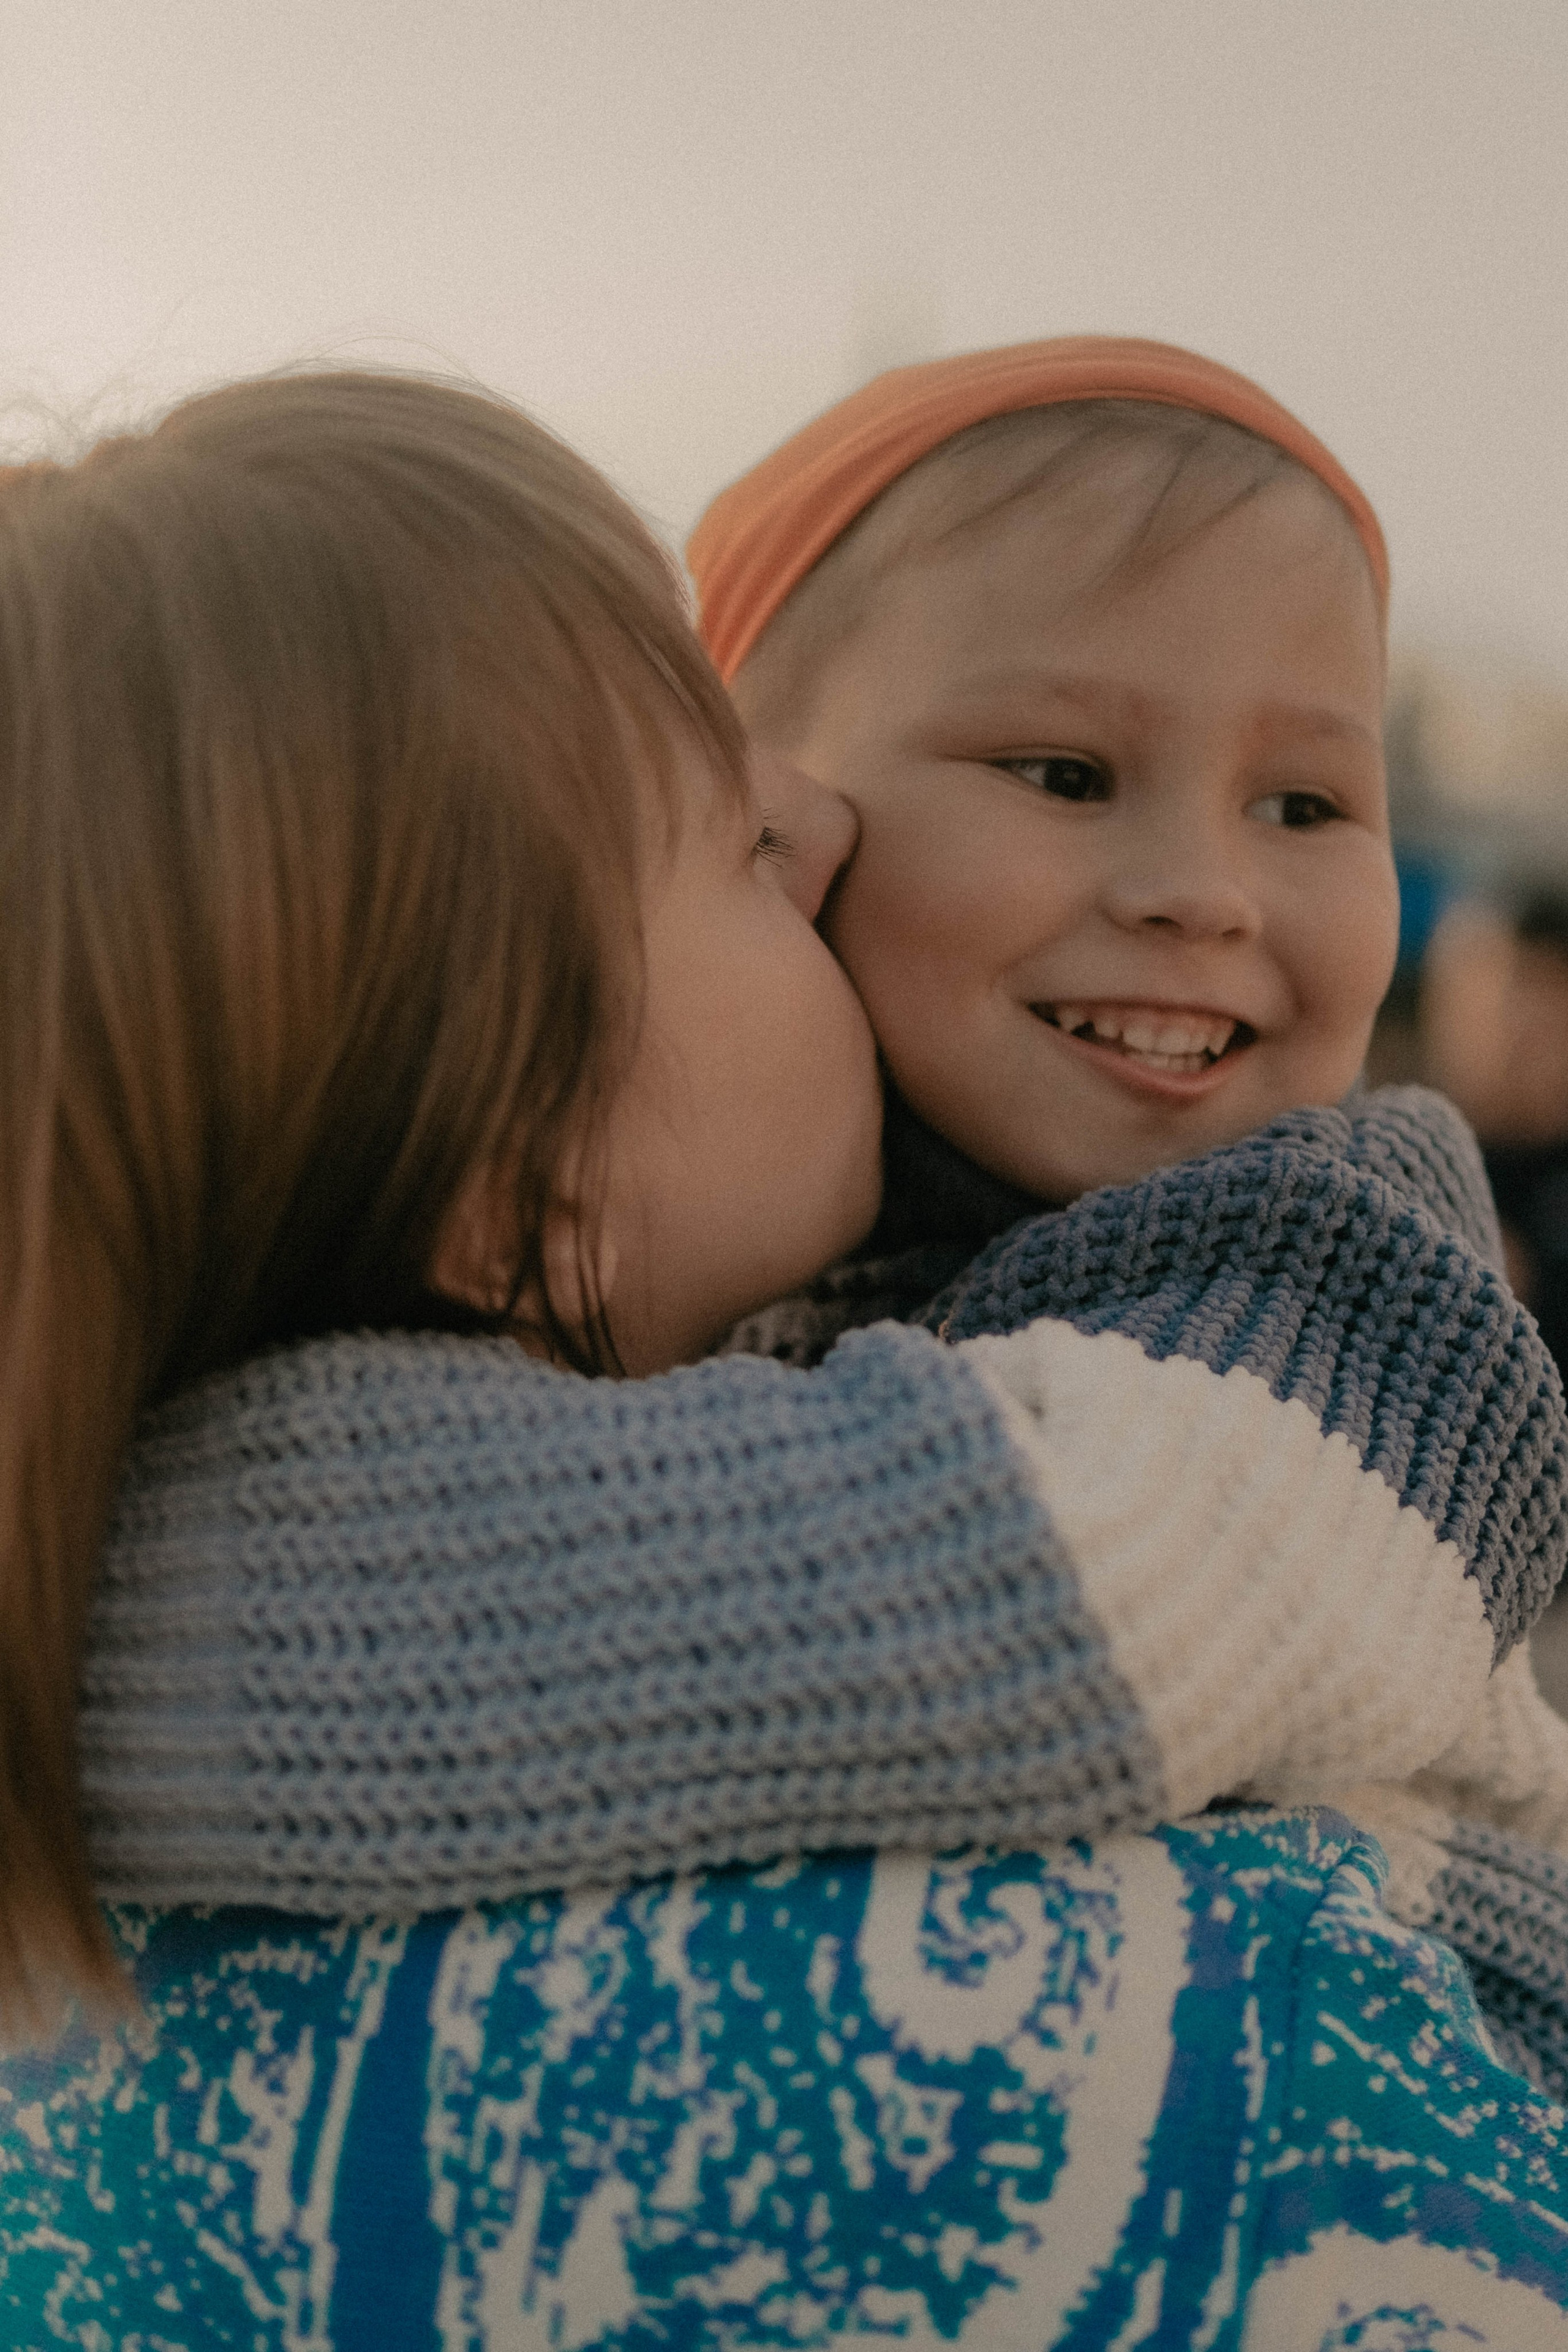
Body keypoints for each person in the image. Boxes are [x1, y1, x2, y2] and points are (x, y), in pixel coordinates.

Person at [4, 371, 1568, 2343]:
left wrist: (76, 1634)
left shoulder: (1331, 1264)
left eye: (1315, 801)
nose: (816, 835)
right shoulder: (768, 1313)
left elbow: (1030, 1575)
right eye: (740, 835)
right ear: (520, 1192)